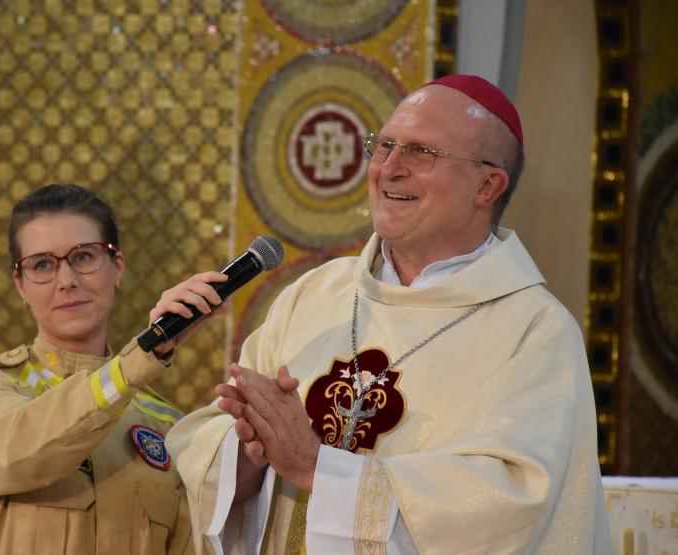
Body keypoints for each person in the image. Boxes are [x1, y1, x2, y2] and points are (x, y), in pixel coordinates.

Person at [165, 75, 612, 553]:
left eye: (422, 152)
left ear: (487, 185)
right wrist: (248, 449)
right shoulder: (316, 294)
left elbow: (511, 505)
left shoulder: (534, 330)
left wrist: (318, 466)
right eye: (384, 146)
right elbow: (212, 439)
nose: (389, 168)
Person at [0, 184, 226, 553]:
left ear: (117, 267)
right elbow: (18, 451)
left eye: (84, 257)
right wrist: (137, 362)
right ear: (20, 285)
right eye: (42, 264)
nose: (67, 280)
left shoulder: (165, 424)